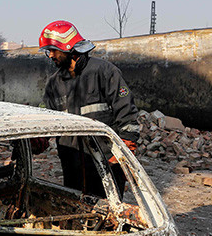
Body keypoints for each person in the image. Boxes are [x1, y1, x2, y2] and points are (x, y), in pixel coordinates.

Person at [38, 20, 139, 198]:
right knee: (77, 209)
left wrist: (123, 154)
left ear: (68, 47)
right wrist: (36, 141)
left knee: (107, 210)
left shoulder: (104, 72)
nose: (51, 55)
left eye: (53, 50)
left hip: (106, 163)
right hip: (72, 165)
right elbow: (47, 121)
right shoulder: (53, 84)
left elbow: (127, 113)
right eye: (48, 51)